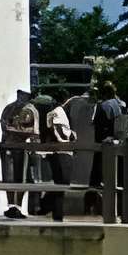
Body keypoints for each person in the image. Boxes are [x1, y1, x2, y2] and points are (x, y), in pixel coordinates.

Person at [93, 76, 128, 220]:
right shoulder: (123, 105)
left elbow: (98, 128)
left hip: (107, 147)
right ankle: (123, 211)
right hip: (123, 146)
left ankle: (107, 211)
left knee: (105, 180)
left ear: (103, 93)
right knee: (122, 180)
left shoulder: (104, 106)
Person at [0, 82, 40, 218]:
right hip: (17, 147)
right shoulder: (25, 109)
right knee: (16, 178)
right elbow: (31, 131)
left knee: (15, 178)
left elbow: (5, 127)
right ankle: (14, 206)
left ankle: (14, 206)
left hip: (12, 147)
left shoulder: (13, 108)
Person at [42, 90, 79, 219]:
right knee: (63, 183)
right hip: (63, 151)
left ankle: (56, 213)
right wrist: (71, 136)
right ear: (66, 100)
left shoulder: (52, 112)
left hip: (56, 151)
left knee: (60, 184)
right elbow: (59, 131)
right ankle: (47, 206)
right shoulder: (59, 112)